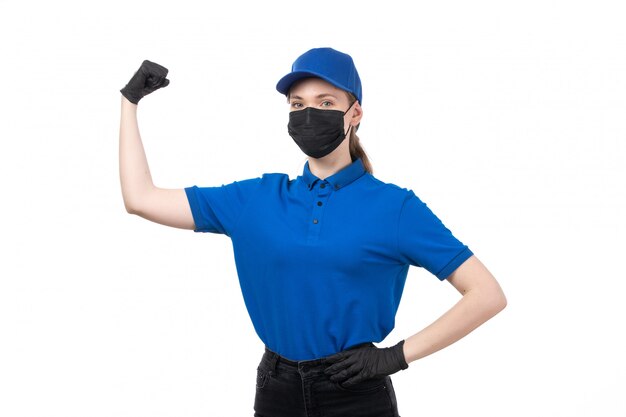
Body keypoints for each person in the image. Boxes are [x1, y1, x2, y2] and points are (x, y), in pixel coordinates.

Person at [118, 47, 507, 417]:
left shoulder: (395, 207)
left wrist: (395, 356)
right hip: (275, 388)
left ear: (355, 113)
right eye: (297, 105)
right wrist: (129, 102)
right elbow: (141, 198)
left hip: (355, 390)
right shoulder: (256, 199)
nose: (308, 114)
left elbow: (487, 294)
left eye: (325, 103)